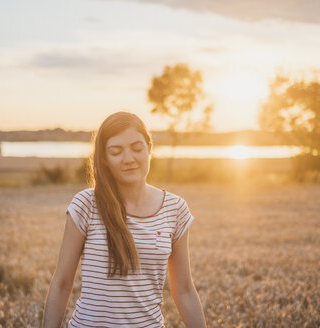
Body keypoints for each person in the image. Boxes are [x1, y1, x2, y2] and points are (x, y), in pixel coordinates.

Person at [42, 111, 206, 328]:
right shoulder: (86, 205)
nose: (129, 159)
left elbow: (184, 289)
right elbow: (62, 284)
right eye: (116, 151)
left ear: (149, 149)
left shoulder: (175, 209)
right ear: (104, 160)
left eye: (137, 148)